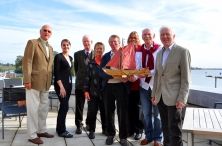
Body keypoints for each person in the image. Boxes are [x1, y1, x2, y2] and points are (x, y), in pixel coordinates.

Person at [151, 26, 191, 146]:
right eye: (162, 34)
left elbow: (186, 78)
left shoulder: (182, 52)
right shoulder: (159, 54)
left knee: (175, 129)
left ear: (174, 36)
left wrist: (182, 98)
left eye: (167, 34)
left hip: (175, 97)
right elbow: (157, 76)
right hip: (161, 96)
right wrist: (153, 94)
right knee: (165, 127)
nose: (165, 37)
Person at [22, 25, 54, 144]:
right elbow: (27, 62)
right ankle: (32, 134)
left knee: (43, 109)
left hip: (46, 83)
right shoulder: (32, 43)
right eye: (44, 30)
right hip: (33, 82)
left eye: (49, 31)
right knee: (33, 109)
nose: (46, 32)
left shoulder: (50, 47)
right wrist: (27, 80)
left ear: (51, 34)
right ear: (40, 32)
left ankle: (41, 130)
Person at [99, 35, 131, 146]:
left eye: (116, 41)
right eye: (111, 42)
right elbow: (101, 72)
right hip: (108, 87)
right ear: (109, 43)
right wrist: (113, 76)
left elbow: (130, 69)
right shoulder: (106, 56)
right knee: (109, 111)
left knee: (123, 112)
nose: (114, 43)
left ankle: (123, 137)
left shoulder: (125, 54)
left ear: (119, 42)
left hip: (121, 86)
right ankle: (110, 134)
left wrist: (126, 76)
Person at [137, 28, 163, 146]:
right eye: (144, 35)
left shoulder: (160, 49)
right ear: (142, 37)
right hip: (144, 86)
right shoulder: (139, 50)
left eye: (149, 34)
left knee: (157, 115)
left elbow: (160, 68)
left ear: (153, 36)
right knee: (146, 113)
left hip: (156, 85)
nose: (146, 36)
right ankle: (148, 135)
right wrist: (137, 73)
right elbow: (137, 66)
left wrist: (148, 73)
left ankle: (158, 138)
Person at [83, 42, 106, 139]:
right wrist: (86, 91)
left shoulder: (107, 62)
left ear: (103, 50)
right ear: (95, 50)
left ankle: (105, 129)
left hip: (105, 92)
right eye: (97, 48)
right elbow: (86, 78)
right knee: (92, 111)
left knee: (105, 111)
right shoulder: (90, 63)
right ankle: (91, 129)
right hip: (93, 92)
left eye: (101, 48)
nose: (99, 50)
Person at [74, 35, 94, 134]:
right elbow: (76, 69)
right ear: (82, 43)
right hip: (80, 85)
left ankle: (89, 124)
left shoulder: (96, 54)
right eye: (84, 41)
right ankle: (79, 125)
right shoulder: (77, 54)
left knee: (91, 107)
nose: (86, 43)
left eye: (88, 41)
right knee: (79, 106)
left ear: (91, 42)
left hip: (92, 86)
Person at [54, 39, 73, 138]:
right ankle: (62, 131)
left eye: (67, 45)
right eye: (63, 45)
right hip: (61, 86)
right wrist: (61, 87)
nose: (66, 47)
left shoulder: (70, 57)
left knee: (63, 107)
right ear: (61, 46)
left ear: (70, 46)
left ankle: (59, 128)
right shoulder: (58, 57)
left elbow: (68, 72)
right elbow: (56, 73)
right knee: (65, 107)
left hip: (68, 85)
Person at [126, 31, 144, 140]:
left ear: (138, 39)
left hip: (138, 84)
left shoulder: (141, 49)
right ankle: (130, 130)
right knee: (129, 109)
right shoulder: (125, 50)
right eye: (131, 38)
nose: (133, 40)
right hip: (127, 84)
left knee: (138, 109)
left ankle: (139, 131)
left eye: (135, 38)